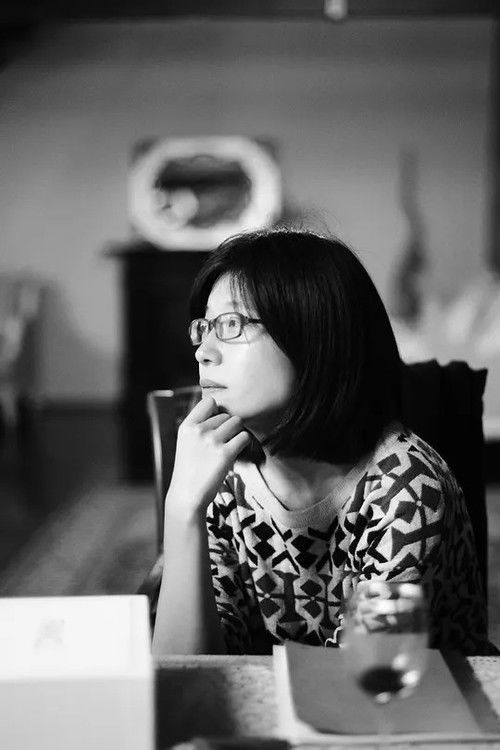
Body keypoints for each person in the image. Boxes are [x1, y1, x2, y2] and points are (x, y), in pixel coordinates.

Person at [151, 228, 489, 657]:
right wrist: (183, 509)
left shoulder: (406, 492)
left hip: (409, 698)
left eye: (231, 324)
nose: (204, 352)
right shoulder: (222, 472)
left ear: (314, 336)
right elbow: (185, 671)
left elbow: (363, 681)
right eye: (205, 327)